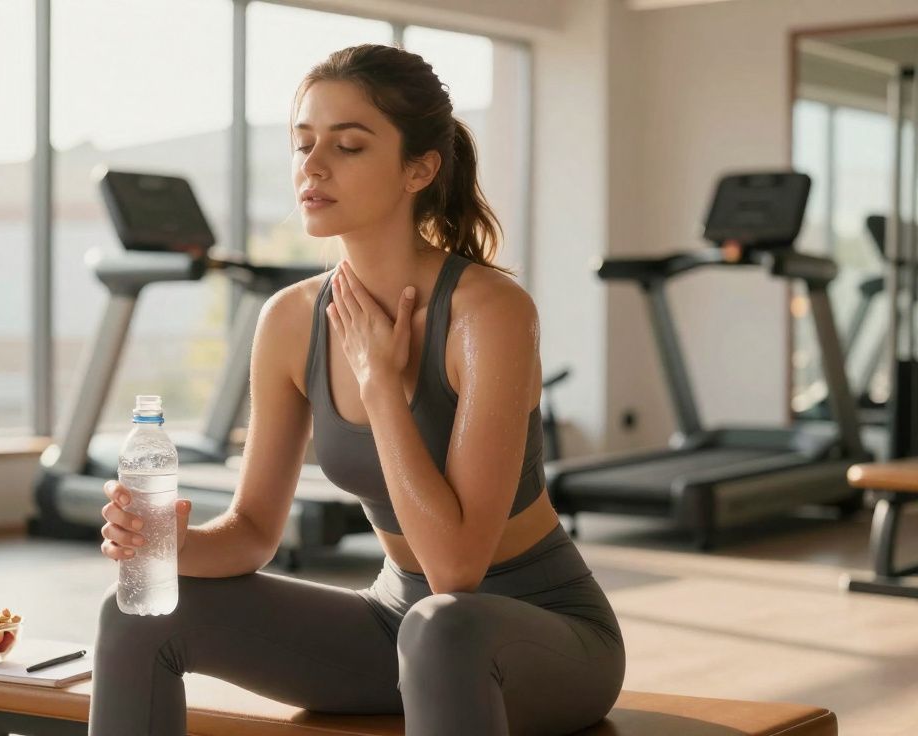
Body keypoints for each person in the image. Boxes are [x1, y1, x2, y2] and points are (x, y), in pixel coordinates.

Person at [87, 43, 625, 735]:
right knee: (138, 609)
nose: (312, 165)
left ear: (419, 168)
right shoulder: (289, 320)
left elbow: (457, 569)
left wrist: (381, 388)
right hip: (399, 624)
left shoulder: (488, 312)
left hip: (541, 635)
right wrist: (167, 547)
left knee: (443, 626)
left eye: (348, 146)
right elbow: (252, 533)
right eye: (302, 142)